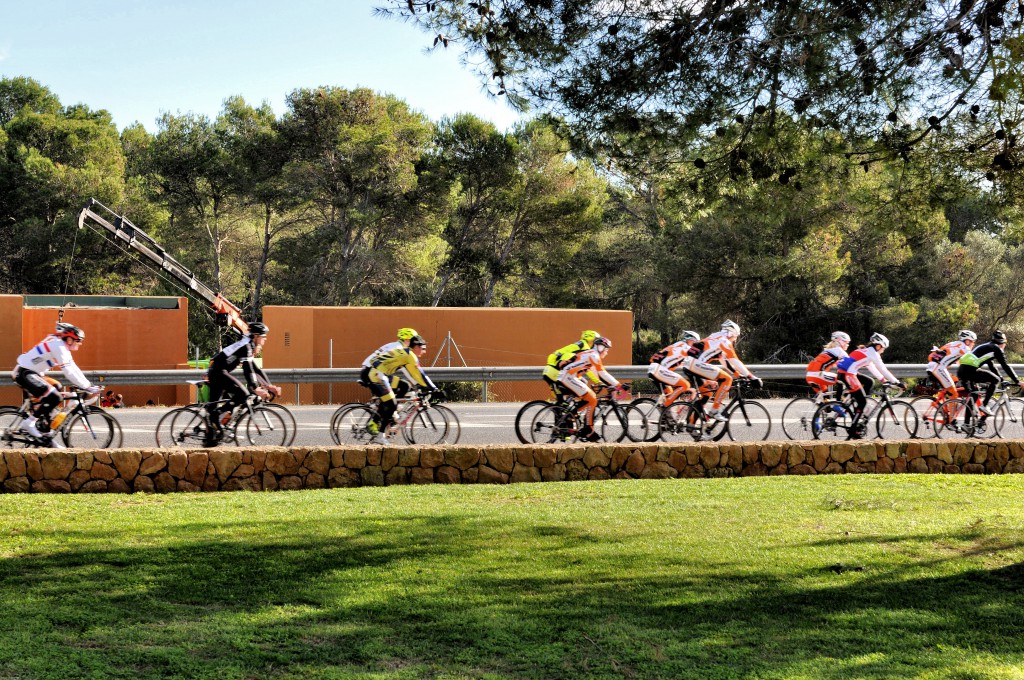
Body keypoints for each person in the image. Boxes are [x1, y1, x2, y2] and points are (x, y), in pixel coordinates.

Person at [11, 322, 102, 447]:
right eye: (78, 340)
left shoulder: (63, 346)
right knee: (55, 397)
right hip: (25, 372)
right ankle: (29, 423)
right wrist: (86, 386)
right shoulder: (58, 345)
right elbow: (69, 372)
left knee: (57, 388)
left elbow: (73, 367)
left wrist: (88, 384)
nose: (80, 343)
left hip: (34, 373)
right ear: (69, 339)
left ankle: (47, 436)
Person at [206, 321, 282, 443]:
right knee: (243, 394)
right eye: (263, 337)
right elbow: (248, 370)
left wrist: (269, 385)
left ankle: (210, 438)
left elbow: (255, 369)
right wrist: (255, 387)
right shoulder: (246, 346)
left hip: (218, 371)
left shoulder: (248, 344)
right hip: (218, 372)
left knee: (215, 406)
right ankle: (216, 416)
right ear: (256, 336)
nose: (265, 340)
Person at [360, 328, 438, 445]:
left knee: (404, 386)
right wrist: (428, 387)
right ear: (409, 340)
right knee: (390, 402)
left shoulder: (401, 348)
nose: (422, 349)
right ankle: (377, 422)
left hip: (378, 372)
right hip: (373, 372)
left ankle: (391, 412)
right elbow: (415, 372)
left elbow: (409, 370)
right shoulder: (399, 348)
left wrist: (416, 384)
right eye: (415, 340)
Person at [557, 335, 627, 441]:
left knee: (588, 399)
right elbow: (602, 373)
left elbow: (598, 375)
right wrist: (618, 385)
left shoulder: (589, 354)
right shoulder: (594, 355)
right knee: (592, 398)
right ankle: (588, 429)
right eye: (606, 349)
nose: (606, 352)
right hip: (568, 377)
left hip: (568, 376)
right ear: (600, 347)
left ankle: (573, 417)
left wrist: (608, 385)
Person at [835, 333, 905, 438]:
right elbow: (883, 369)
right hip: (848, 374)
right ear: (878, 346)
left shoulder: (867, 351)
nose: (883, 350)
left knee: (869, 382)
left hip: (848, 373)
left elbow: (872, 368)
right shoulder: (873, 353)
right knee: (862, 402)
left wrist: (883, 380)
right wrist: (897, 382)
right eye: (883, 348)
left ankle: (858, 406)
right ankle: (853, 430)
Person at [690, 320, 762, 422]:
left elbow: (723, 360)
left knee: (706, 395)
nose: (734, 340)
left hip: (690, 363)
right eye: (735, 337)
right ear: (731, 333)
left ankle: (691, 425)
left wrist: (738, 374)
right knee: (727, 379)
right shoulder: (725, 341)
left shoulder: (716, 336)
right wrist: (751, 377)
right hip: (697, 364)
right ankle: (714, 411)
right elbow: (735, 361)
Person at [958, 330, 1024, 415]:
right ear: (1003, 342)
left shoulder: (987, 346)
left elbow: (991, 365)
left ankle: (966, 425)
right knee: (995, 380)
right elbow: (1005, 366)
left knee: (974, 395)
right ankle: (984, 405)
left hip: (962, 370)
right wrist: (1017, 381)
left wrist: (1001, 378)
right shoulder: (997, 349)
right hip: (970, 371)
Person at [542, 330, 600, 402]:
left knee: (561, 403)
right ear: (592, 340)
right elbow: (588, 368)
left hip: (549, 370)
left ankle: (557, 408)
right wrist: (597, 381)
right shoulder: (586, 349)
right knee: (582, 382)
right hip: (556, 371)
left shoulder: (578, 345)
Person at [648, 330, 701, 408]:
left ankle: (666, 417)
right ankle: (664, 406)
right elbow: (695, 364)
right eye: (696, 342)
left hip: (654, 369)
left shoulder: (678, 345)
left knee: (670, 393)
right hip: (659, 370)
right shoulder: (686, 348)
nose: (696, 345)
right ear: (690, 340)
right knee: (685, 385)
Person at [924, 330, 976, 405]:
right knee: (954, 394)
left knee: (955, 380)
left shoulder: (953, 343)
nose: (973, 344)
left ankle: (942, 402)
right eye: (972, 341)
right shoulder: (965, 348)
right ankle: (951, 417)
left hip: (932, 366)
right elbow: (970, 362)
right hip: (939, 369)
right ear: (967, 340)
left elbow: (960, 363)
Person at [805, 331, 851, 397]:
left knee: (825, 398)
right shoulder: (839, 351)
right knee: (841, 381)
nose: (848, 345)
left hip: (810, 376)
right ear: (840, 342)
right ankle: (838, 405)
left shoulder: (827, 351)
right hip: (818, 375)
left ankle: (824, 405)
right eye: (846, 342)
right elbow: (850, 362)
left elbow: (839, 364)